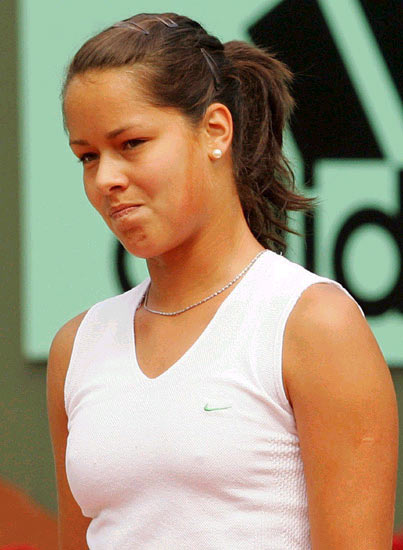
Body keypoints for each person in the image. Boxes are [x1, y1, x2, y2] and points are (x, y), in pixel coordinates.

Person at [46, 12, 398, 550]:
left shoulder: (312, 324)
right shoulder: (76, 348)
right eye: (87, 157)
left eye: (132, 143)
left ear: (215, 130)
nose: (106, 179)